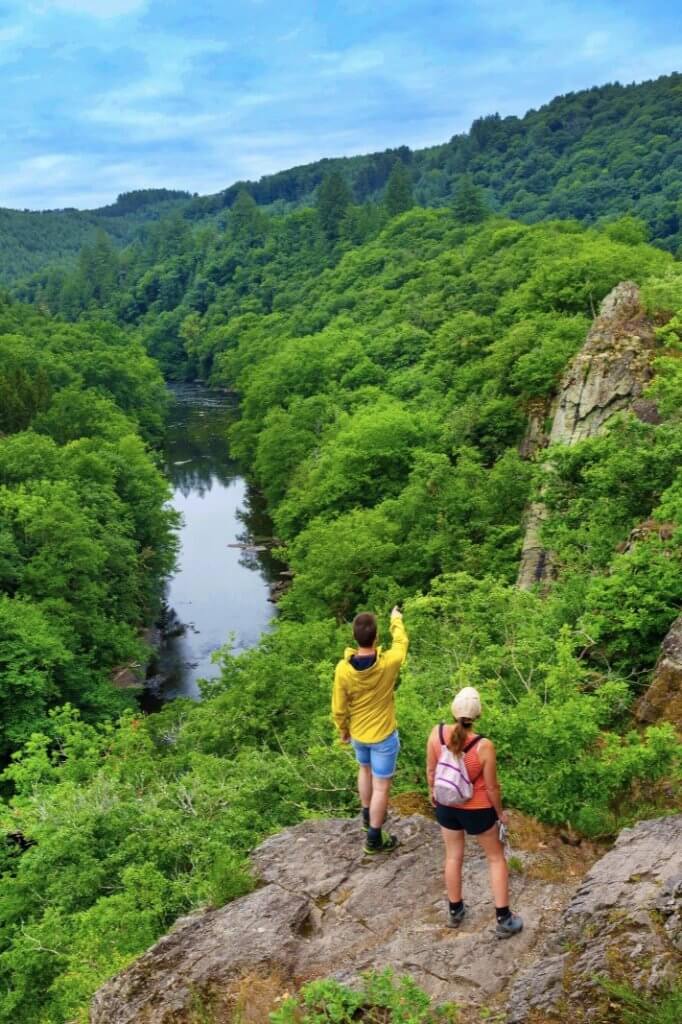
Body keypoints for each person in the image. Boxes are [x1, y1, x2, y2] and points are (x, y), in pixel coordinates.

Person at [426, 686, 523, 938]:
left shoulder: (436, 734)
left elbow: (431, 771)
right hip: (477, 809)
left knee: (453, 856)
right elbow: (491, 787)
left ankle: (455, 911)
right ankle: (504, 918)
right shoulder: (483, 746)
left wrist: (433, 796)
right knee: (495, 858)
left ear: (453, 710)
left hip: (446, 805)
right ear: (477, 714)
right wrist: (500, 814)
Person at [332, 606, 408, 855]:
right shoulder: (389, 663)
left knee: (364, 769)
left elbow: (339, 708)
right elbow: (401, 642)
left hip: (358, 734)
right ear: (375, 638)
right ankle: (374, 838)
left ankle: (366, 817)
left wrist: (343, 730)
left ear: (355, 638)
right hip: (384, 735)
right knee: (382, 786)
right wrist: (396, 620)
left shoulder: (343, 670)